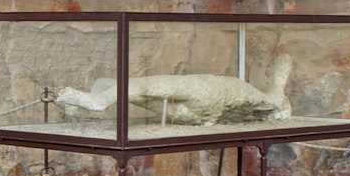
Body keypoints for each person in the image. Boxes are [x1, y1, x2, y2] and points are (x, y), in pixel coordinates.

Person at [55, 54, 293, 126]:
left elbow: (274, 100)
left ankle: (97, 103)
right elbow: (272, 101)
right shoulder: (252, 95)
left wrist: (278, 83)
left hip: (210, 96)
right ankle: (95, 103)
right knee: (112, 84)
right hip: (199, 113)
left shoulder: (241, 89)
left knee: (134, 87)